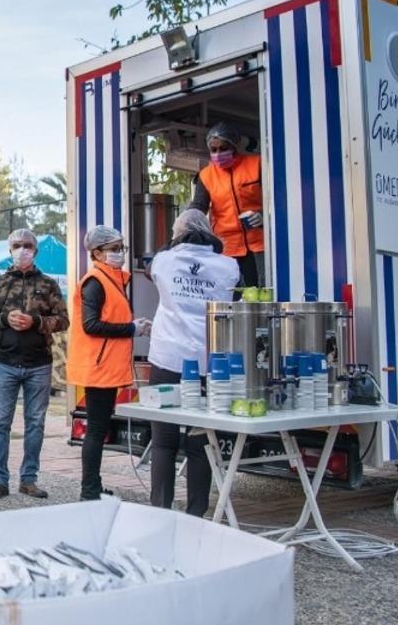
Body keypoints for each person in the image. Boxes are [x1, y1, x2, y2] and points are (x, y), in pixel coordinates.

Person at [146, 210, 239, 516]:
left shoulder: (164, 261)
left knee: (163, 440)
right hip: (206, 361)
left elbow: (156, 259)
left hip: (167, 358)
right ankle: (196, 514)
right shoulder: (228, 266)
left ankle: (161, 508)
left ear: (177, 232)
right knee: (201, 441)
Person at [0, 228, 69, 500]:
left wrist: (37, 322)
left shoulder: (49, 284)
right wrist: (6, 319)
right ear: (10, 250)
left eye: (28, 245)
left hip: (39, 363)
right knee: (0, 423)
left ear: (35, 251)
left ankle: (29, 479)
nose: (23, 250)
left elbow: (64, 321)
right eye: (17, 245)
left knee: (35, 423)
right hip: (6, 361)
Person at [68, 225, 149, 501]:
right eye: (115, 249)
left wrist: (133, 327)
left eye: (122, 247)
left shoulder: (112, 279)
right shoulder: (95, 282)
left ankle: (93, 485)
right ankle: (89, 490)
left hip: (105, 367)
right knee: (96, 430)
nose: (120, 253)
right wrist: (131, 329)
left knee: (98, 428)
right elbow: (91, 325)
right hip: (98, 368)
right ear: (97, 253)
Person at [189, 122, 266, 287]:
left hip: (259, 244)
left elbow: (276, 199)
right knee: (232, 294)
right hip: (227, 247)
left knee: (262, 290)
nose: (218, 154)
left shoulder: (257, 165)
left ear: (235, 145)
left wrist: (263, 215)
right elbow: (198, 206)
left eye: (223, 148)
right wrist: (186, 222)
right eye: (213, 150)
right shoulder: (206, 176)